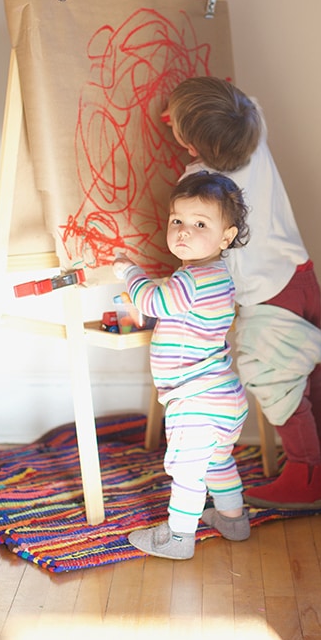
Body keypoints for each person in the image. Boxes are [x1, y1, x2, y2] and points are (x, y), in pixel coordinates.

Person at [164, 76, 321, 510]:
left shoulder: (201, 183)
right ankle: (318, 461)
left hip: (267, 295)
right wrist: (199, 116)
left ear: (188, 141)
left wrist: (186, 128)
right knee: (307, 372)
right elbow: (248, 103)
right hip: (299, 276)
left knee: (277, 383)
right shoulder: (252, 136)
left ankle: (305, 476)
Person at [113, 170, 252, 560]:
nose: (184, 232)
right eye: (177, 221)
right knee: (218, 461)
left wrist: (129, 272)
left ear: (226, 236)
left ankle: (178, 538)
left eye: (200, 224)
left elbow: (153, 302)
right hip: (225, 398)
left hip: (196, 402)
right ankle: (233, 519)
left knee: (188, 472)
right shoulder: (218, 275)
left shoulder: (188, 279)